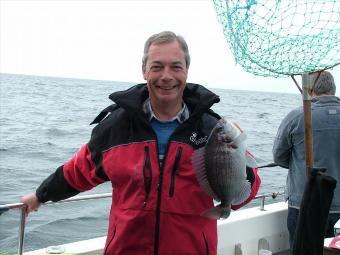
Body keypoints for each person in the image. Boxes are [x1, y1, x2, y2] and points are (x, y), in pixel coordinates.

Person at [21, 31, 261, 255]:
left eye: (175, 67)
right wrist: (40, 195)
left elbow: (244, 194)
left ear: (186, 70)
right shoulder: (115, 126)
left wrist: (241, 163)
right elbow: (78, 172)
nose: (166, 76)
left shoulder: (212, 129)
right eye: (157, 67)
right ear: (144, 70)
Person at [272, 70, 340, 248]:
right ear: (333, 88)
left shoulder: (296, 116)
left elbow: (279, 157)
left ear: (310, 89)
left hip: (304, 204)